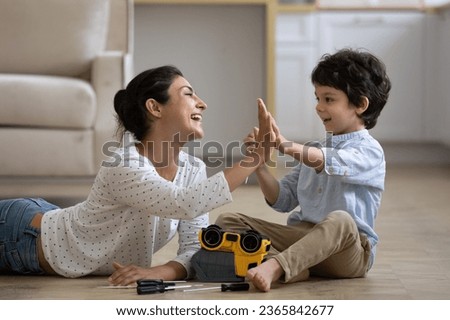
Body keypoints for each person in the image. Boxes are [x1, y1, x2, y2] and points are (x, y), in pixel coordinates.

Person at [0, 65, 274, 285]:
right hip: (21, 234)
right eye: (189, 94)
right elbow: (182, 202)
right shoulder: (124, 163)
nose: (202, 104)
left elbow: (194, 247)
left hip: (46, 229)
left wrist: (162, 271)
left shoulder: (194, 171)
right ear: (155, 108)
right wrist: (255, 158)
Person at [215, 48, 392, 292]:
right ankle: (294, 267)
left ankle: (275, 265)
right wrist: (259, 163)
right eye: (317, 98)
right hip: (303, 243)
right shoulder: (313, 150)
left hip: (346, 253)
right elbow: (282, 199)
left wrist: (284, 145)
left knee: (342, 220)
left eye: (329, 99)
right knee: (229, 221)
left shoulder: (370, 151)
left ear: (360, 105)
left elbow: (328, 161)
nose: (319, 107)